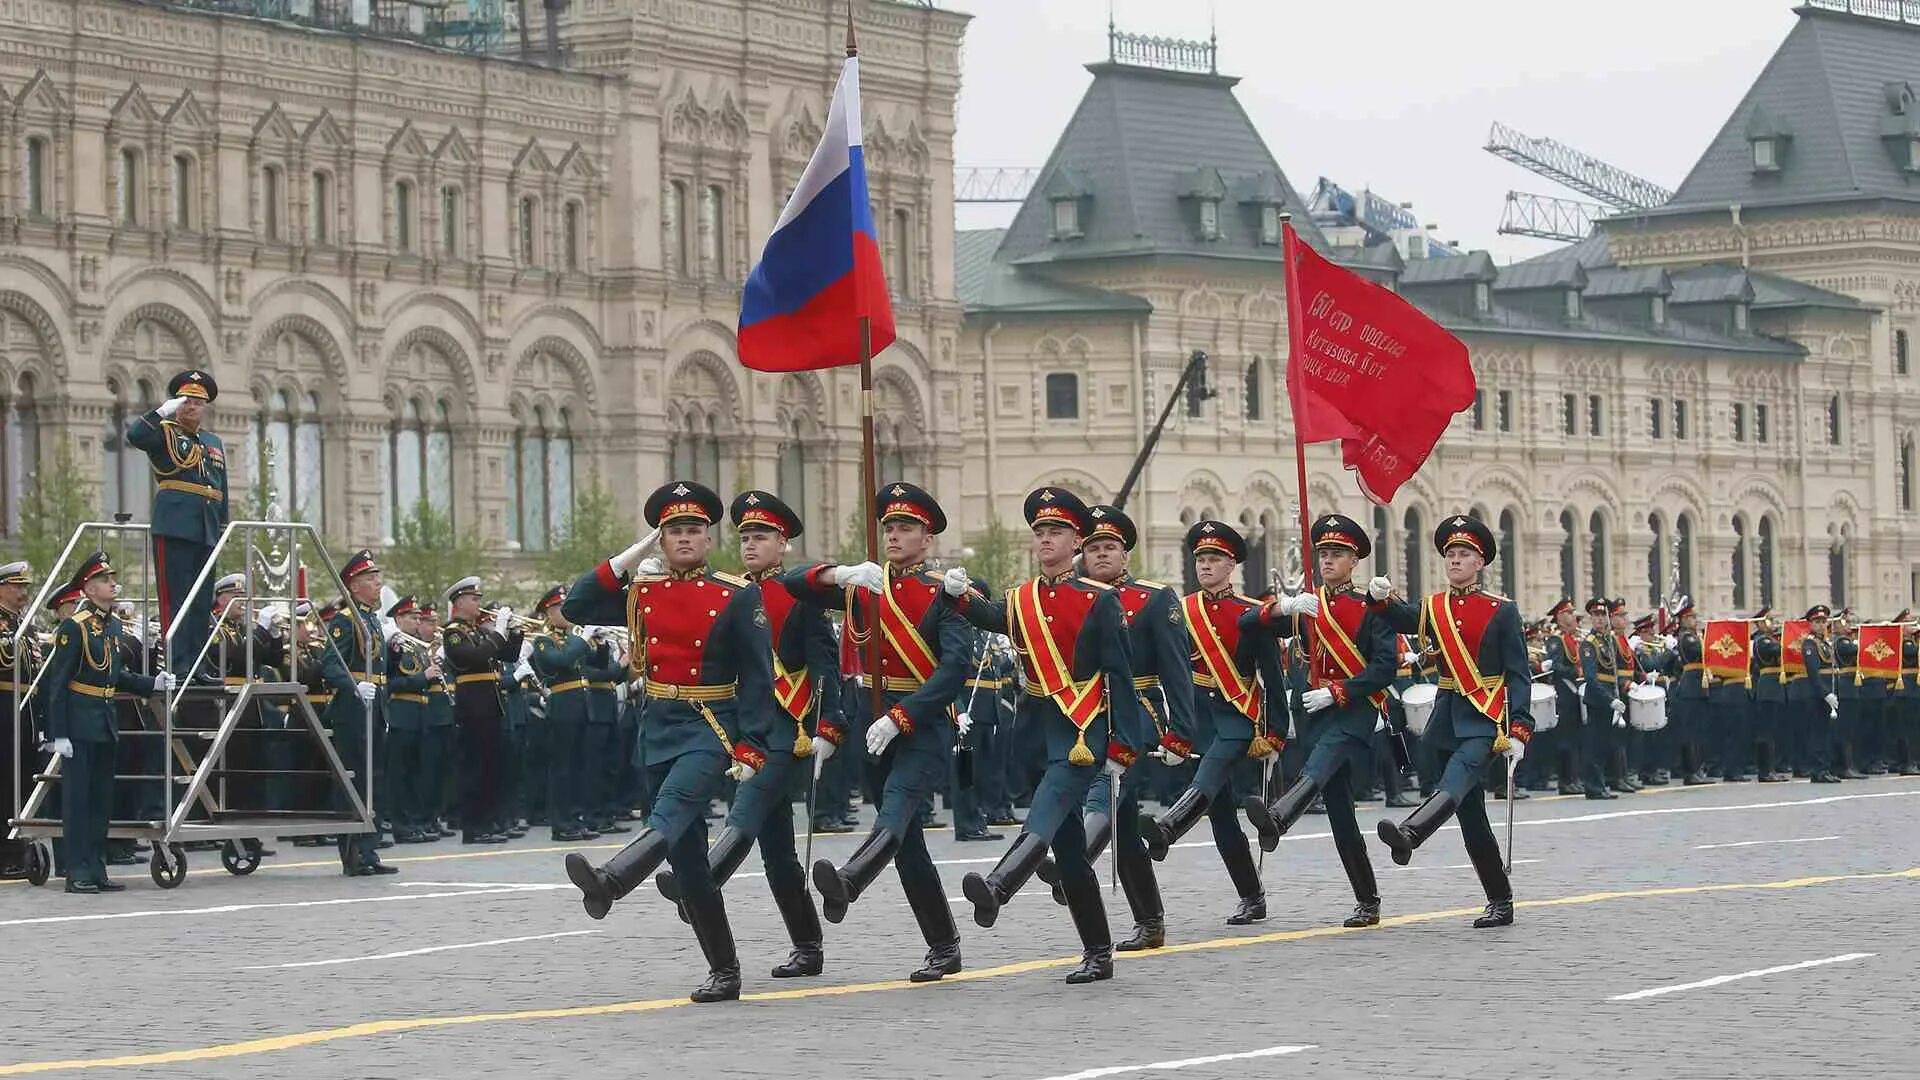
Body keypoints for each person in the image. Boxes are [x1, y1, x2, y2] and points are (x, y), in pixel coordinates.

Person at [562, 480, 776, 1003]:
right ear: (662, 540)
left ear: (708, 538)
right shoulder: (644, 592)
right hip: (658, 724)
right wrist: (627, 558)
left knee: (675, 808)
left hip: (711, 724)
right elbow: (576, 605)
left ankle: (613, 879)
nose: (684, 538)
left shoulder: (735, 594)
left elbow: (758, 674)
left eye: (694, 530)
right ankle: (724, 970)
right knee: (688, 860)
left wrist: (752, 744)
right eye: (674, 531)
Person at [942, 488, 1151, 984]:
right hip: (1040, 731)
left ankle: (998, 885)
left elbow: (1119, 675)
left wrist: (1123, 745)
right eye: (1039, 532)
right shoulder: (1022, 599)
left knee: (1050, 807)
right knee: (1073, 852)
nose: (1046, 540)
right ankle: (1098, 951)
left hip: (1083, 732)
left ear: (1075, 540)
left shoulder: (1099, 601)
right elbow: (992, 617)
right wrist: (958, 595)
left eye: (1055, 532)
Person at [786, 482, 972, 983]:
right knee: (908, 845)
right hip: (871, 719)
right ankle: (944, 945)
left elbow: (954, 669)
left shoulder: (944, 593)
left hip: (922, 724)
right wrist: (839, 571)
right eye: (888, 527)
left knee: (896, 808)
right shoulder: (862, 584)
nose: (894, 535)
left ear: (927, 538)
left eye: (905, 527)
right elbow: (793, 582)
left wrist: (902, 717)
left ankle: (851, 878)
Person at [654, 489, 838, 980]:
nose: (752, 545)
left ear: (783, 545)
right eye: (746, 537)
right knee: (777, 851)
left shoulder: (798, 596)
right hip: (745, 728)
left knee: (746, 810)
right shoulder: (729, 593)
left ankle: (699, 882)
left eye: (762, 537)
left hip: (787, 729)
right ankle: (808, 944)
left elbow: (826, 667)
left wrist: (829, 728)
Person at [1029, 503, 1195, 951]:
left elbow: (1177, 670)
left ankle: (1073, 861)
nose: (1102, 555)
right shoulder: (1067, 597)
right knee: (1121, 824)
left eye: (1111, 547)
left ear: (1125, 554)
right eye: (1095, 547)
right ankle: (1151, 918)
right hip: (1077, 712)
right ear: (1082, 550)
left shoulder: (1154, 598)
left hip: (1134, 711)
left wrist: (1180, 732)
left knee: (1105, 786)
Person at [1372, 515, 1531, 928]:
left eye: (1464, 554)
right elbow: (1405, 619)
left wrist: (1520, 728)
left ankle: (1411, 833)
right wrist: (1380, 600)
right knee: (1471, 817)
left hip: (1484, 717)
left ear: (1479, 562)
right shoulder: (1435, 606)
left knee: (1456, 780)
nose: (1455, 560)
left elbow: (1518, 674)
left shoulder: (1502, 611)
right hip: (1446, 717)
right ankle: (1500, 899)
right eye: (1451, 554)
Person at [1243, 513, 1395, 928]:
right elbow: (1248, 624)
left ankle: (1280, 816)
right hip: (1313, 712)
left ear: (1354, 560)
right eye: (1323, 553)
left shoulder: (1371, 607)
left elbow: (1385, 668)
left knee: (1322, 763)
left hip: (1353, 710)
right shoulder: (1308, 605)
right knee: (1341, 813)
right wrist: (1285, 605)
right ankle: (1368, 899)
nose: (1328, 561)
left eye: (1337, 554)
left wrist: (1339, 690)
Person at [1138, 520, 1284, 927]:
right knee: (1221, 818)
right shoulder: (1181, 612)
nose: (1205, 565)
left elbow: (1273, 677)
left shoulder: (1251, 614)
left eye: (1214, 559)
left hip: (1238, 716)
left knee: (1210, 771)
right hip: (1200, 716)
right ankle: (1252, 897)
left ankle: (1168, 827)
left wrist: (1275, 732)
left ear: (1231, 564)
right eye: (1201, 558)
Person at [39, 553, 173, 892]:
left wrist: (151, 683)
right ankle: (78, 871)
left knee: (101, 801)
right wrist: (58, 733)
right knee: (78, 801)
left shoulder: (111, 625)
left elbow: (117, 675)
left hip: (105, 721)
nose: (113, 585)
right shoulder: (75, 626)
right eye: (105, 580)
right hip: (80, 724)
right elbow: (58, 683)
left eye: (113, 579)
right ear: (89, 587)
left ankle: (97, 868)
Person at [127, 370, 229, 678]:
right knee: (176, 597)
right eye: (186, 400)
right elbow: (135, 436)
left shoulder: (213, 441)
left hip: (207, 527)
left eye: (198, 401)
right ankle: (177, 662)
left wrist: (223, 527)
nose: (192, 406)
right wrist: (161, 413)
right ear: (176, 403)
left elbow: (220, 487)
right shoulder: (163, 431)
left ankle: (196, 663)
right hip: (175, 524)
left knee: (200, 600)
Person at [320, 550, 396, 875]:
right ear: (353, 586)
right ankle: (352, 854)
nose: (378, 583)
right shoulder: (344, 620)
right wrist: (354, 685)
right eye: (370, 579)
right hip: (353, 708)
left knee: (373, 781)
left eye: (376, 578)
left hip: (375, 704)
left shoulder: (370, 619)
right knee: (353, 781)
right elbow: (330, 665)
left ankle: (369, 851)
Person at [442, 578, 519, 844]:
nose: (479, 604)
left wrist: (514, 632)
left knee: (491, 768)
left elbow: (507, 656)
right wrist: (497, 633)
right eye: (474, 599)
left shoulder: (479, 631)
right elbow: (471, 658)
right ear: (460, 602)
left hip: (490, 705)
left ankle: (489, 822)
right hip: (472, 707)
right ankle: (473, 827)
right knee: (474, 769)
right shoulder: (453, 632)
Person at [531, 585, 597, 842]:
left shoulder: (571, 638)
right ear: (548, 611)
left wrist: (598, 642)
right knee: (563, 767)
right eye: (560, 607)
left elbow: (598, 663)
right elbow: (559, 662)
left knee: (579, 765)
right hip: (563, 703)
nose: (566, 612)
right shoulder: (543, 639)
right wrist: (582, 639)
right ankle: (561, 823)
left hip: (581, 704)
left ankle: (576, 818)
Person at [382, 596, 437, 843]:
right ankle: (401, 825)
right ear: (399, 619)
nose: (417, 622)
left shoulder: (417, 647)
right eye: (412, 617)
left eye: (418, 617)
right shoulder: (393, 647)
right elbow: (390, 683)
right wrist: (422, 678)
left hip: (422, 713)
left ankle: (416, 822)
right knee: (400, 773)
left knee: (418, 772)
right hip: (402, 712)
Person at [0, 561, 39, 879]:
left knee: (23, 775)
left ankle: (18, 848)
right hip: (3, 704)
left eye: (24, 586)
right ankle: (5, 854)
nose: (23, 591)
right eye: (16, 586)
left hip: (24, 705)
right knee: (5, 779)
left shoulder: (22, 624)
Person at [1539, 599, 1585, 795]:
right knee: (1565, 739)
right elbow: (1556, 665)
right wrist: (1575, 673)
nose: (1572, 616)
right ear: (1559, 617)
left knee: (1575, 738)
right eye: (1568, 613)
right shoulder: (1556, 640)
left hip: (1575, 692)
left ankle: (1574, 778)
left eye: (1572, 612)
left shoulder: (1572, 639)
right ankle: (1566, 781)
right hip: (1564, 692)